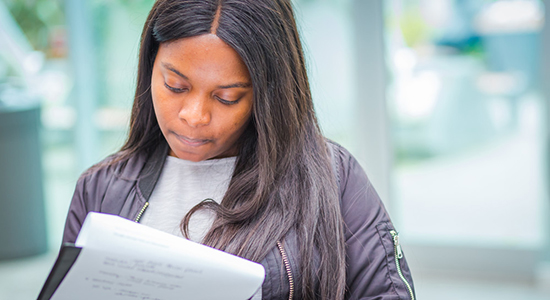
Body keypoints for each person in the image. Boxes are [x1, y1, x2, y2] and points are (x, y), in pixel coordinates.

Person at [62, 0, 415, 299]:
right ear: (149, 67)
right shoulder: (101, 188)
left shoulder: (334, 178)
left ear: (268, 94)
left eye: (226, 97)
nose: (194, 117)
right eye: (175, 86)